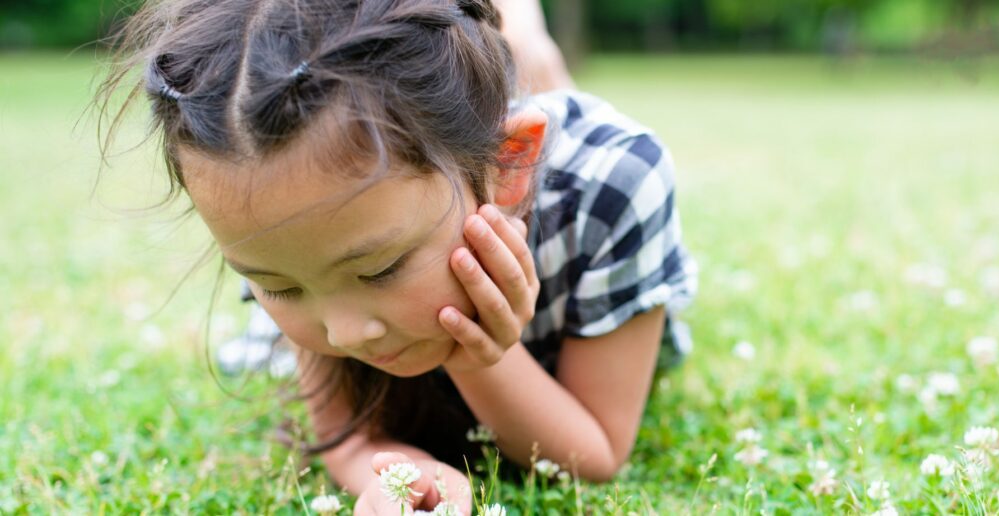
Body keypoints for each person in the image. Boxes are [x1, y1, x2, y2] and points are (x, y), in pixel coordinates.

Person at [96, 0, 697, 513]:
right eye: (278, 286)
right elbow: (344, 439)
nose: (342, 329)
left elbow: (593, 455)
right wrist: (390, 472)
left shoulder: (614, 182)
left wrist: (477, 352)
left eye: (379, 268)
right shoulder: (289, 219)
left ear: (509, 162)